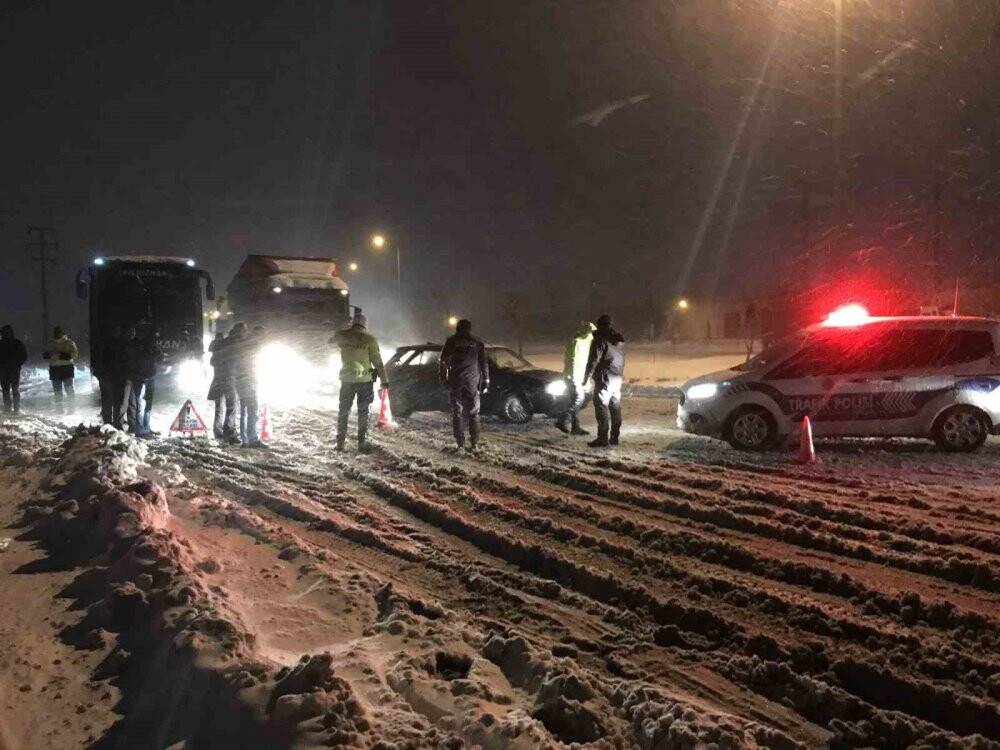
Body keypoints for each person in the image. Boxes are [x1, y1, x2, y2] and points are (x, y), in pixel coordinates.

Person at [331, 313, 387, 453]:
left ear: (353, 323)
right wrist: (384, 380)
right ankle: (362, 443)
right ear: (364, 324)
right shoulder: (370, 339)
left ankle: (340, 443)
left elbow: (330, 342)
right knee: (363, 412)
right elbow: (378, 362)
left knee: (344, 411)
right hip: (364, 381)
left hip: (347, 380)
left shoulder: (342, 336)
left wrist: (342, 331)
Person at [439, 319, 489, 451]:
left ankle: (460, 442)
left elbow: (443, 361)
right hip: (473, 381)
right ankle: (474, 442)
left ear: (457, 328)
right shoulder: (478, 342)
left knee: (457, 412)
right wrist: (486, 380)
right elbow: (484, 363)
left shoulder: (451, 341)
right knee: (474, 412)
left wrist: (443, 377)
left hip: (456, 381)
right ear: (469, 328)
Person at [583, 314, 625, 448]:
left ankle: (602, 438)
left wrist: (586, 378)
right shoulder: (619, 342)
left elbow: (593, 360)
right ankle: (614, 437)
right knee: (615, 406)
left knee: (601, 406)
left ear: (599, 325)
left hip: (604, 378)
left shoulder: (600, 339)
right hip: (617, 378)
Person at [556, 321, 595, 435]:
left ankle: (575, 427)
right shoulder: (578, 342)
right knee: (579, 399)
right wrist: (573, 376)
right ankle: (562, 420)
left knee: (575, 400)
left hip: (576, 376)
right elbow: (572, 360)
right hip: (573, 376)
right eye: (591, 333)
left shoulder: (583, 342)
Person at [125, 324, 161, 437]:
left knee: (148, 404)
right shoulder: (134, 344)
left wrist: (155, 353)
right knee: (141, 404)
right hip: (140, 377)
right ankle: (140, 429)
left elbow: (160, 357)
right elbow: (132, 360)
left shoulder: (150, 344)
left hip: (150, 375)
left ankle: (146, 427)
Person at [234, 324, 265, 447]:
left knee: (244, 410)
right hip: (246, 380)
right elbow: (248, 363)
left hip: (243, 380)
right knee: (252, 410)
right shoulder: (248, 345)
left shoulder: (241, 344)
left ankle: (245, 440)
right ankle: (251, 439)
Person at [207, 328, 239, 443]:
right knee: (231, 407)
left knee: (219, 407)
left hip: (217, 380)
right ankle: (229, 432)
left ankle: (218, 431)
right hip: (229, 380)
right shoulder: (230, 348)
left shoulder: (216, 349)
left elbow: (213, 362)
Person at [95, 326, 129, 429]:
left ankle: (108, 423)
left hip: (109, 375)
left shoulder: (102, 344)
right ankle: (116, 423)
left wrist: (98, 373)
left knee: (108, 400)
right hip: (116, 375)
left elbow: (97, 360)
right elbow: (126, 360)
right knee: (116, 401)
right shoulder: (122, 344)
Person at [43, 326, 79, 401]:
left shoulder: (69, 342)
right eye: (56, 332)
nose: (57, 334)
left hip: (64, 368)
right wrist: (50, 355)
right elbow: (45, 355)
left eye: (58, 332)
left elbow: (75, 355)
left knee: (66, 390)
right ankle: (63, 409)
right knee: (60, 391)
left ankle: (69, 409)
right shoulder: (51, 343)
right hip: (59, 368)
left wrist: (63, 356)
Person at [0, 325, 28, 414]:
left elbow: (23, 356)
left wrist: (18, 364)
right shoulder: (17, 343)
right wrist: (18, 364)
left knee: (8, 390)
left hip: (9, 369)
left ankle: (12, 409)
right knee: (10, 390)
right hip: (8, 369)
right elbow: (24, 356)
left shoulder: (16, 343)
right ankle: (14, 409)